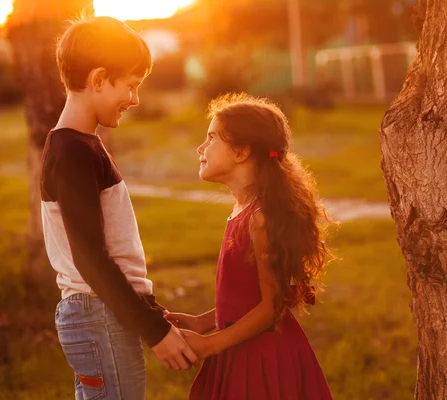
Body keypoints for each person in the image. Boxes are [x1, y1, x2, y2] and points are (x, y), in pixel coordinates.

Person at [40, 16, 197, 400]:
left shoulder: (80, 146)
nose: (135, 98)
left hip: (101, 314)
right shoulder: (74, 152)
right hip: (98, 315)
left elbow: (114, 251)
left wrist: (150, 310)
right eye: (130, 86)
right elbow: (92, 261)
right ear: (98, 80)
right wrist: (155, 331)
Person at [166, 93, 334, 400]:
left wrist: (211, 344)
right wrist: (203, 323)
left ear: (241, 151)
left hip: (262, 357)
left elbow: (271, 307)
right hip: (239, 346)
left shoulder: (260, 219)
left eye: (212, 138)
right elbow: (249, 297)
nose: (200, 148)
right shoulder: (242, 210)